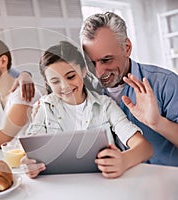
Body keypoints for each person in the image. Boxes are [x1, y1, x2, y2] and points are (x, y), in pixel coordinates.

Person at [21, 41, 153, 179]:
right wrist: (29, 165)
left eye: (71, 76)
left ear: (83, 71)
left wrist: (124, 160)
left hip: (104, 184)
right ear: (48, 83)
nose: (65, 86)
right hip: (61, 187)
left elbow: (145, 148)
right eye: (55, 81)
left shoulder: (105, 106)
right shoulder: (45, 108)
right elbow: (31, 153)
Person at [80, 12, 178, 166]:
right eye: (91, 63)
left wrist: (158, 123)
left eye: (106, 60)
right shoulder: (87, 93)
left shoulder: (165, 83)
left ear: (127, 48)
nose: (99, 73)